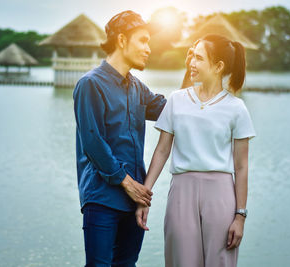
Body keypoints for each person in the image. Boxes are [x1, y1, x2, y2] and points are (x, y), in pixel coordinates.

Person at [136, 34, 256, 267]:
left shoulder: (237, 108)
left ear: (218, 66)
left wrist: (240, 216)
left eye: (199, 58)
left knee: (219, 261)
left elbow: (241, 167)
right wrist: (144, 196)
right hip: (181, 191)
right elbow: (162, 151)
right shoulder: (176, 100)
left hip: (221, 194)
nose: (191, 63)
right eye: (192, 56)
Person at [73, 10, 166, 267]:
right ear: (123, 40)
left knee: (126, 265)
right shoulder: (90, 84)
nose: (148, 49)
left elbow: (171, 111)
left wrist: (197, 74)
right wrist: (127, 182)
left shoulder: (137, 87)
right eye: (143, 40)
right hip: (102, 198)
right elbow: (93, 142)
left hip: (135, 201)